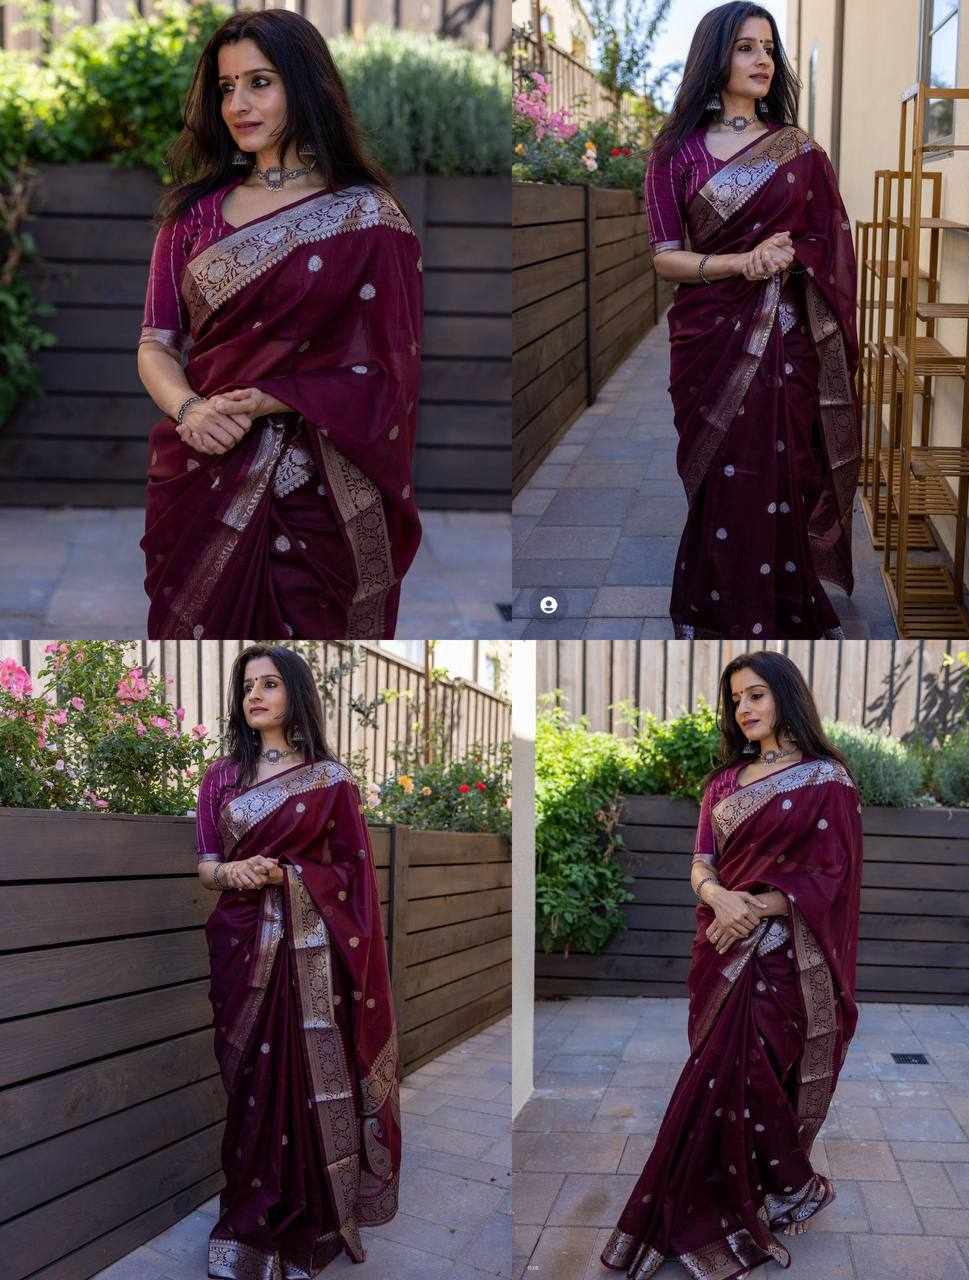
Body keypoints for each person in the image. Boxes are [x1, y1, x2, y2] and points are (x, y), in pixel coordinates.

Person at [138, 9, 422, 640]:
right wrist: (190, 410)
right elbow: (156, 344)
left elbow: (388, 371)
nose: (238, 104)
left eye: (259, 83)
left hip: (320, 493)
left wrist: (273, 396)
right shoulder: (192, 217)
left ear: (306, 85)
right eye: (226, 87)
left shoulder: (367, 218)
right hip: (205, 464)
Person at [601, 650, 863, 1280]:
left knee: (756, 1079)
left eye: (756, 695)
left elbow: (833, 875)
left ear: (786, 696)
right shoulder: (722, 783)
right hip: (720, 947)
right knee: (719, 1077)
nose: (744, 708)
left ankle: (770, 1191)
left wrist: (757, 906)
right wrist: (719, 898)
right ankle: (792, 1188)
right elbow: (702, 863)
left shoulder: (828, 780)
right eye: (736, 698)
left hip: (783, 958)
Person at [644, 2, 860, 639]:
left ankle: (789, 604)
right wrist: (743, 262)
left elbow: (831, 243)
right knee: (721, 473)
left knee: (784, 469)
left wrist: (793, 254)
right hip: (708, 337)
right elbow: (665, 257)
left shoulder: (801, 152)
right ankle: (712, 605)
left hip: (786, 340)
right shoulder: (674, 153)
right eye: (745, 47)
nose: (762, 59)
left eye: (768, 48)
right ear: (715, 58)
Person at [195, 645, 400, 1278]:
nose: (254, 696)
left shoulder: (330, 781)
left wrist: (287, 875)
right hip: (241, 947)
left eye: (269, 684)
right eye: (247, 686)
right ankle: (246, 1222)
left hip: (310, 961)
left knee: (304, 1084)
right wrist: (234, 872)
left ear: (296, 694)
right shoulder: (221, 777)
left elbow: (352, 877)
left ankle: (310, 1213)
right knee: (251, 1091)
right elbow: (206, 866)